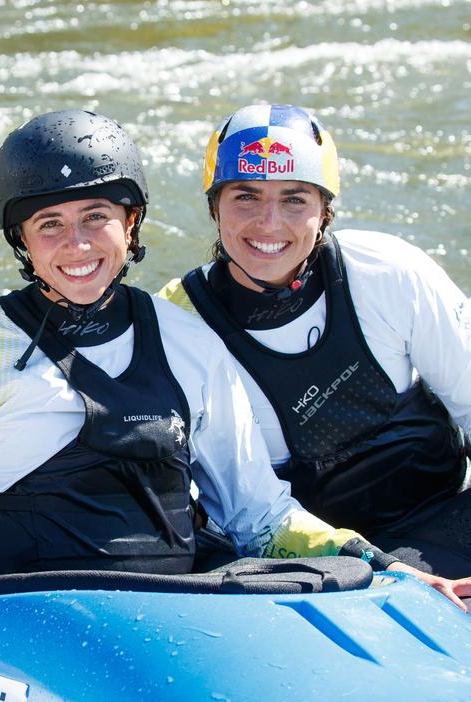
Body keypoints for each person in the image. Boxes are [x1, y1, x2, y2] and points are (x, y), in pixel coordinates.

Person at [0, 109, 469, 658]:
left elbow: (259, 515)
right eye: (50, 225)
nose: (77, 244)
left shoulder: (189, 343)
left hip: (170, 622)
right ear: (21, 241)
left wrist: (378, 568)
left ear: (132, 224)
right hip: (10, 618)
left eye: (96, 216)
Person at [159, 103, 471, 580]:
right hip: (319, 564)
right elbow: (251, 518)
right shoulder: (179, 324)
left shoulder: (389, 272)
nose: (269, 223)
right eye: (245, 196)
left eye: (294, 199)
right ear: (213, 205)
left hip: (446, 515)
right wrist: (381, 567)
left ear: (325, 210)